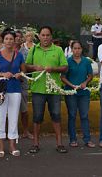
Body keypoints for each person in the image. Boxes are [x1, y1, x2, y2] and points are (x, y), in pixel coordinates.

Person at [25, 25, 68, 154]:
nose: (45, 37)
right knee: (37, 117)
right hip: (38, 89)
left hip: (53, 89)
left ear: (51, 37)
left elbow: (65, 67)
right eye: (43, 35)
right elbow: (26, 66)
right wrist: (34, 67)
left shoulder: (58, 50)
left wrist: (53, 69)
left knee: (56, 116)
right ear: (39, 36)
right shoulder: (33, 49)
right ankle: (35, 144)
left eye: (47, 35)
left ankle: (59, 144)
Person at [0, 30, 26, 157]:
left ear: (14, 40)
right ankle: (0, 146)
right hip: (1, 89)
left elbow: (24, 72)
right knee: (0, 117)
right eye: (6, 39)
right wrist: (2, 74)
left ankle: (12, 145)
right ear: (3, 40)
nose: (9, 41)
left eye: (11, 39)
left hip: (15, 89)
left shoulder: (19, 55)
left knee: (13, 117)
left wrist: (19, 74)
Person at [61, 40, 94, 148]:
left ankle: (87, 139)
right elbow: (63, 77)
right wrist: (72, 85)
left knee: (84, 115)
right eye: (75, 48)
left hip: (83, 93)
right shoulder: (67, 61)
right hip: (71, 93)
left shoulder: (86, 61)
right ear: (71, 49)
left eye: (79, 48)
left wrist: (85, 82)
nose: (77, 50)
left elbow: (90, 75)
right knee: (72, 115)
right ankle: (73, 139)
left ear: (82, 49)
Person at [15, 30, 32, 140]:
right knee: (8, 110)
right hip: (8, 83)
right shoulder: (4, 50)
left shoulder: (26, 51)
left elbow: (29, 66)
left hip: (22, 83)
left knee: (24, 109)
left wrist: (22, 71)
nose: (17, 39)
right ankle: (10, 132)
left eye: (19, 37)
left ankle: (26, 131)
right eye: (15, 37)